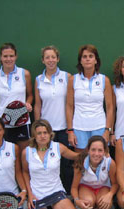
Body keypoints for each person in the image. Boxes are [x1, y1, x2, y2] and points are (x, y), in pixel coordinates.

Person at [22, 119, 80, 209]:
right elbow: (25, 172)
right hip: (37, 195)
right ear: (34, 135)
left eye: (45, 132)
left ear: (50, 134)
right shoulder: (26, 152)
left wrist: (93, 151)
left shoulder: (58, 147)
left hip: (55, 191)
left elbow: (77, 156)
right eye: (39, 133)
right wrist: (29, 194)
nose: (42, 136)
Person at [34, 45, 74, 195]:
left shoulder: (67, 77)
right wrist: (37, 128)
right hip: (46, 132)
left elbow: (72, 104)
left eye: (53, 57)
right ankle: (49, 198)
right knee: (48, 166)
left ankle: (69, 195)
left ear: (57, 59)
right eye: (47, 57)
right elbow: (38, 105)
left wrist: (71, 128)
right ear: (43, 60)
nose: (50, 60)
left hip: (64, 129)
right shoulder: (38, 80)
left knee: (67, 165)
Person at [0, 42, 33, 153]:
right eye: (5, 56)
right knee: (6, 157)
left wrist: (28, 103)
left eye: (11, 56)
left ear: (16, 56)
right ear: (1, 57)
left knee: (24, 155)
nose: (8, 59)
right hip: (3, 124)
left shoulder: (24, 74)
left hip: (22, 121)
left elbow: (30, 95)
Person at [66, 44, 114, 151]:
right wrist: (70, 131)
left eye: (91, 56)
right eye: (84, 57)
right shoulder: (73, 80)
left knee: (101, 160)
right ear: (81, 61)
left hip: (100, 127)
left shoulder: (104, 80)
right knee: (80, 161)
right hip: (79, 127)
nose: (87, 59)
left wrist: (108, 130)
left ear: (96, 60)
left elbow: (110, 107)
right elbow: (69, 107)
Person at [71, 136, 118, 209]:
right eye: (93, 150)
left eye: (100, 150)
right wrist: (77, 200)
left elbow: (115, 184)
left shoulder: (110, 162)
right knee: (88, 201)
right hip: (86, 187)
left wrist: (110, 195)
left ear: (104, 151)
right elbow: (74, 187)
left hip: (103, 187)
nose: (96, 154)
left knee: (106, 205)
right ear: (88, 150)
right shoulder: (81, 161)